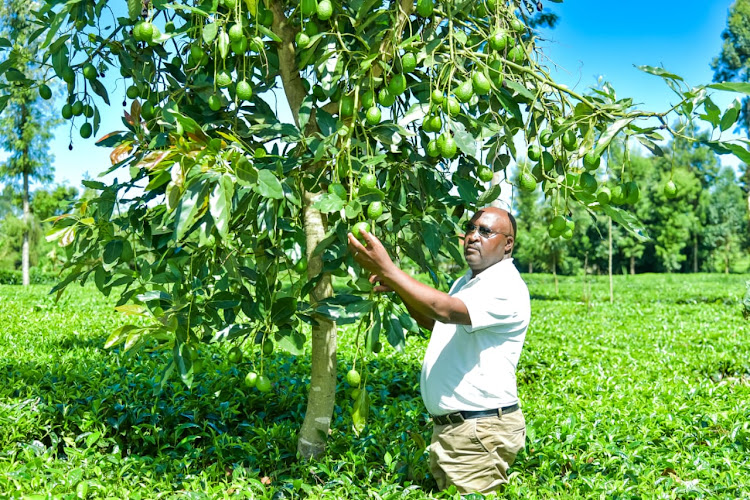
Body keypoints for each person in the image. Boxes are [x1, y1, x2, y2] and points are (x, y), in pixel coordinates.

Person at [347, 206, 530, 495]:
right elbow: (438, 322)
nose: (472, 236)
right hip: (457, 430)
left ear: (507, 243)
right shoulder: (468, 281)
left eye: (485, 231)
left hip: (477, 431)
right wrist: (397, 287)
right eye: (470, 229)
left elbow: (444, 310)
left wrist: (390, 270)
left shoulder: (505, 285)